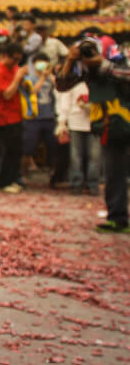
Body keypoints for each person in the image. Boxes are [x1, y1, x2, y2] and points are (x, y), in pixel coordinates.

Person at [57, 38, 130, 232]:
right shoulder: (87, 70)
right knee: (114, 171)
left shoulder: (119, 61)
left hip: (124, 118)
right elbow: (62, 85)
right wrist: (70, 61)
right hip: (111, 125)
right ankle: (117, 218)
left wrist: (104, 65)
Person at [0, 43, 29, 193]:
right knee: (9, 150)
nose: (16, 63)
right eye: (14, 59)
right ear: (5, 56)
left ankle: (13, 179)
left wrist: (23, 81)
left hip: (18, 114)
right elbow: (6, 94)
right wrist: (17, 77)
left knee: (17, 149)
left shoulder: (14, 68)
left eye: (19, 60)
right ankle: (5, 181)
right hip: (5, 116)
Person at [56, 74, 99, 195]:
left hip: (95, 123)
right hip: (75, 122)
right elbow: (65, 104)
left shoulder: (98, 83)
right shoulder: (72, 83)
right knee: (75, 156)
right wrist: (62, 122)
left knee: (95, 156)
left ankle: (93, 184)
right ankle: (76, 184)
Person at [21, 53, 59, 186]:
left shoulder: (51, 79)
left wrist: (52, 77)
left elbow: (61, 90)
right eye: (39, 63)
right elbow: (31, 92)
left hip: (50, 117)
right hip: (33, 118)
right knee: (28, 147)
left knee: (54, 147)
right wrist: (42, 78)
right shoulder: (29, 78)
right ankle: (23, 174)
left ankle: (54, 175)